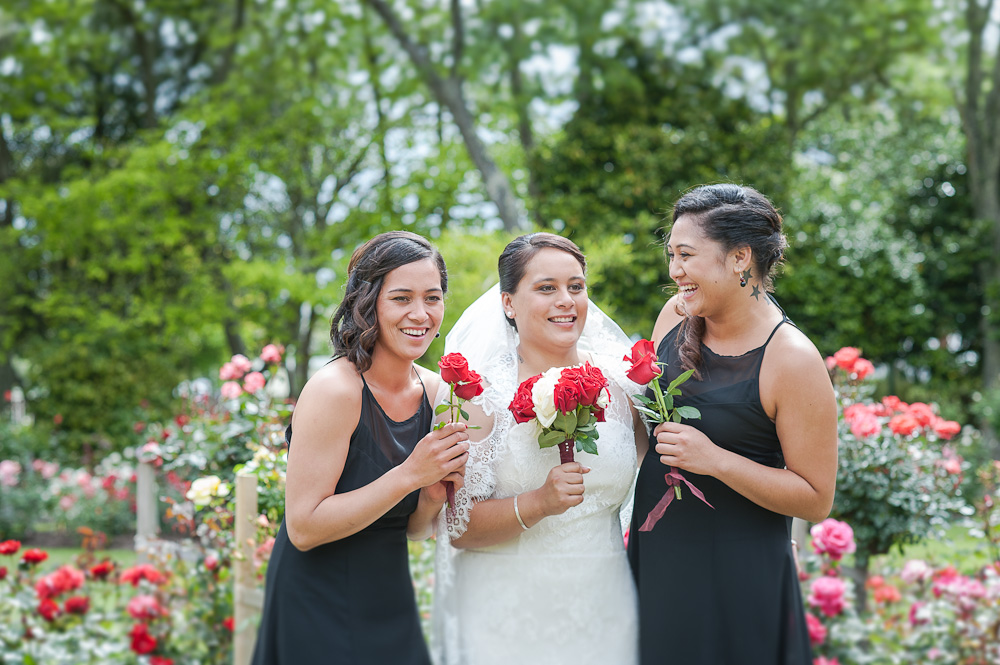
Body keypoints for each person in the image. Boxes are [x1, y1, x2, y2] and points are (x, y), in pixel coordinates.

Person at [627, 184, 838, 664]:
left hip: (739, 574)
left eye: (686, 255)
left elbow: (815, 498)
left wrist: (715, 460)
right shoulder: (674, 316)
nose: (674, 270)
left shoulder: (792, 359)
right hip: (660, 557)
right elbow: (649, 439)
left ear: (740, 257)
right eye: (671, 255)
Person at [251, 231, 470, 665]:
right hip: (317, 598)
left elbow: (414, 530)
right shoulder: (334, 390)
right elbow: (303, 528)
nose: (421, 314)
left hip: (389, 595)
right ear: (367, 303)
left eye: (432, 298)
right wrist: (410, 474)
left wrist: (431, 494)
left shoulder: (437, 392)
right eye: (402, 298)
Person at [432, 232, 647, 665]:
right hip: (507, 620)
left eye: (576, 286)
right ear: (508, 303)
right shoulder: (479, 396)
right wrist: (537, 502)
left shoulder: (623, 390)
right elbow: (455, 527)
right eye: (547, 288)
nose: (566, 300)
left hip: (605, 608)